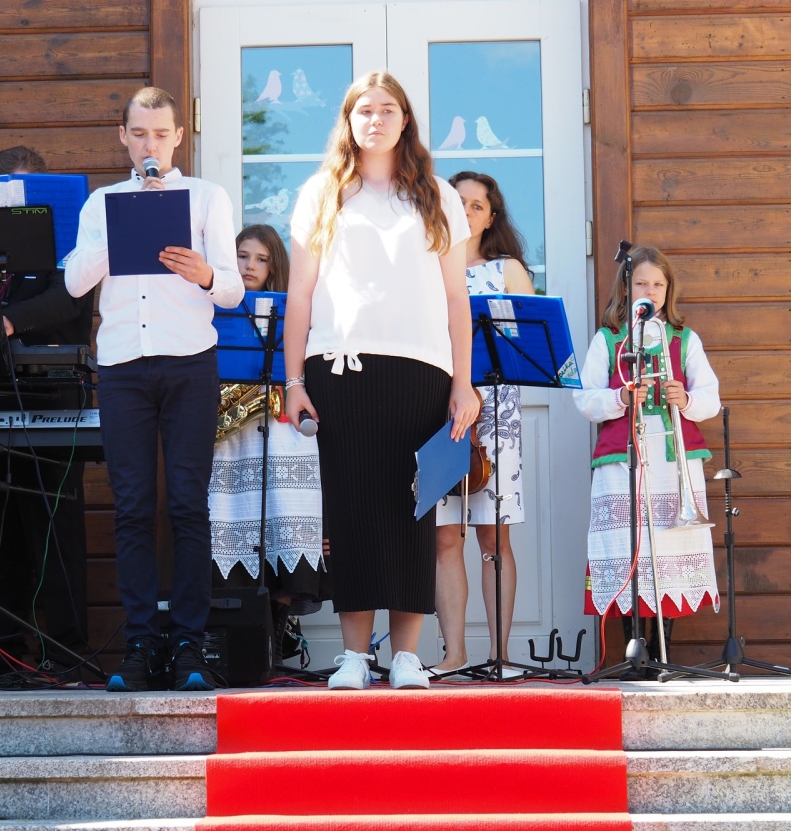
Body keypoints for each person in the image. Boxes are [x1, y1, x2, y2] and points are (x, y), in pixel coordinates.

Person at [283, 70, 480, 691]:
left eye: (387, 109)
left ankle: (405, 656)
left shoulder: (438, 196)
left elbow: (456, 298)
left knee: (410, 513)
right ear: (348, 121)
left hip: (421, 371)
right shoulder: (321, 192)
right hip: (340, 370)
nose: (375, 119)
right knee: (353, 510)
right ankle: (352, 656)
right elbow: (301, 293)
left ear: (404, 120)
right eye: (364, 110)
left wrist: (464, 383)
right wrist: (293, 381)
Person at [63, 86, 244, 691]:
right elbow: (72, 283)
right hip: (122, 368)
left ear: (179, 137)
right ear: (123, 136)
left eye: (161, 134)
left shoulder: (206, 197)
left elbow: (234, 292)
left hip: (190, 362)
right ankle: (141, 641)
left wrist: (207, 272)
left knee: (189, 504)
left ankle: (189, 644)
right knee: (134, 507)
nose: (151, 144)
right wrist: (124, 230)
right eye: (140, 133)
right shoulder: (101, 203)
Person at [0, 146, 96, 683]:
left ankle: (69, 656)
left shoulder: (69, 244)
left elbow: (66, 301)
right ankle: (3, 654)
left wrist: (4, 323)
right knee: (3, 533)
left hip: (54, 401)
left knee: (55, 531)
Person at [572, 244, 721, 652]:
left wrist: (685, 399)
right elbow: (584, 400)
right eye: (642, 282)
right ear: (626, 288)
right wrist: (620, 397)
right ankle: (634, 650)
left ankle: (661, 652)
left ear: (668, 290)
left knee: (668, 552)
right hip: (623, 463)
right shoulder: (608, 340)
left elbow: (711, 399)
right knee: (627, 551)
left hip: (672, 464)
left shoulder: (685, 339)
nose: (651, 291)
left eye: (658, 284)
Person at [431, 173, 535, 676]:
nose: (468, 212)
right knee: (445, 536)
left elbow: (526, 348)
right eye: (459, 202)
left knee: (495, 537)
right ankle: (454, 653)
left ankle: (501, 654)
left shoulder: (507, 269)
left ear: (492, 217)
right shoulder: (423, 266)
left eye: (478, 205)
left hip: (495, 414)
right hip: (437, 409)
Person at [209, 225, 327, 618]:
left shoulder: (292, 309)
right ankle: (243, 639)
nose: (250, 265)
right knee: (234, 520)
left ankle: (278, 638)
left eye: (261, 259)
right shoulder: (214, 308)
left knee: (281, 519)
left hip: (281, 431)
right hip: (231, 433)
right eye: (243, 255)